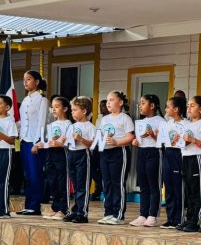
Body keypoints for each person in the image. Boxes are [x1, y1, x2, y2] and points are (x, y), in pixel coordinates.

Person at [97, 91, 134, 225]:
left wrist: (117, 142)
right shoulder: (105, 119)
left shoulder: (125, 118)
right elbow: (101, 136)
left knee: (117, 183)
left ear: (120, 102)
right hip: (105, 153)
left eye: (111, 100)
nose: (108, 103)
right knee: (106, 183)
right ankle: (108, 212)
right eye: (107, 100)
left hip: (119, 152)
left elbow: (130, 136)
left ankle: (118, 214)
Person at [175, 95, 201, 232]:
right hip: (186, 158)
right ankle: (189, 218)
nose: (189, 108)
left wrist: (193, 140)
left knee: (197, 190)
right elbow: (182, 143)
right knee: (188, 190)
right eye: (188, 105)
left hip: (198, 158)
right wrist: (178, 141)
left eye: (192, 105)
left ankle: (196, 220)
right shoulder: (186, 125)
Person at [131, 94, 165, 227]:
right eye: (140, 103)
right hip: (142, 152)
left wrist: (153, 135)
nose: (140, 105)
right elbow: (139, 138)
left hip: (154, 152)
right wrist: (135, 141)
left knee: (154, 184)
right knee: (143, 185)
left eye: (143, 103)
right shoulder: (141, 121)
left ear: (152, 106)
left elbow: (163, 142)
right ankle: (143, 214)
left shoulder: (160, 121)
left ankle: (153, 215)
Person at [17, 70, 48, 216]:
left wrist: (37, 142)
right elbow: (22, 122)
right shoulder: (25, 100)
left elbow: (42, 122)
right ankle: (28, 204)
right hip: (24, 140)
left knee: (35, 174)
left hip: (34, 141)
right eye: (24, 79)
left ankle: (35, 205)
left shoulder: (42, 100)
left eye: (28, 79)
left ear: (36, 82)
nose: (25, 82)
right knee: (27, 175)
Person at [39, 96, 71, 220]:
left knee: (62, 181)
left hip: (62, 154)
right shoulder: (51, 125)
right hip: (50, 154)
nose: (54, 109)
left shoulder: (68, 124)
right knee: (52, 180)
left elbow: (67, 141)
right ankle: (56, 207)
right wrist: (42, 144)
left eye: (57, 107)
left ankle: (64, 209)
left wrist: (58, 143)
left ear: (65, 109)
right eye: (52, 107)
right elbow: (50, 141)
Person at [65, 96, 96, 224]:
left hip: (83, 154)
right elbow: (67, 141)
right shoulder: (72, 126)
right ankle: (75, 210)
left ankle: (82, 213)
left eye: (75, 110)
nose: (72, 112)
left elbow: (93, 144)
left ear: (84, 111)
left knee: (83, 185)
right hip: (71, 154)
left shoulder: (90, 126)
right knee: (76, 185)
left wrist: (81, 139)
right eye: (71, 110)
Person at [161, 96, 187, 230]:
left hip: (179, 155)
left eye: (168, 106)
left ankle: (179, 218)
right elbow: (163, 141)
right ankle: (170, 218)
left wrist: (181, 138)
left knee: (178, 188)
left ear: (176, 109)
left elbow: (186, 142)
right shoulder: (167, 124)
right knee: (168, 187)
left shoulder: (186, 124)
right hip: (168, 154)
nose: (165, 109)